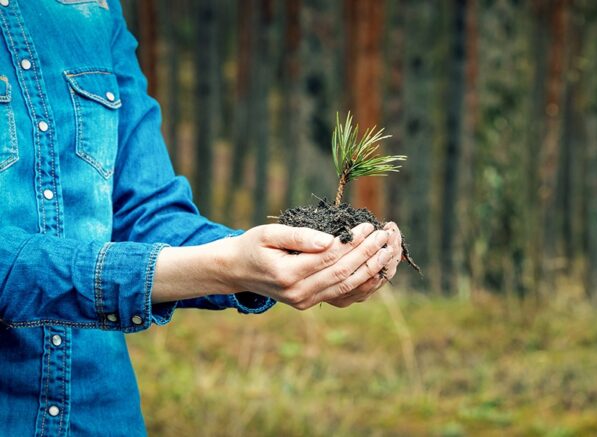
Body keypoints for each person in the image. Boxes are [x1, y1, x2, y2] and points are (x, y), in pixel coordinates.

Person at [0, 1, 403, 435]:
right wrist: (225, 267)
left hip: (100, 416)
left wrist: (276, 258)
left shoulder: (94, 11)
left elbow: (147, 211)